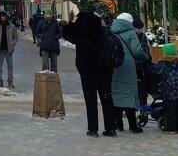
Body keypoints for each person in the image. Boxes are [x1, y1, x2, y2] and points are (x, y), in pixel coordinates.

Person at [62, 9, 116, 137]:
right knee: (106, 97)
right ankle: (111, 128)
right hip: (104, 68)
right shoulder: (100, 29)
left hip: (88, 69)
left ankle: (93, 129)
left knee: (90, 99)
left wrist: (73, 21)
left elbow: (66, 32)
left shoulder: (81, 32)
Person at [108, 12, 149, 133]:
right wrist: (146, 57)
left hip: (115, 65)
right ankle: (133, 126)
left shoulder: (111, 31)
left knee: (116, 95)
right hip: (128, 67)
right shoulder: (131, 33)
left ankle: (118, 124)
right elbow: (137, 51)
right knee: (129, 95)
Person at [154, 43, 178, 133]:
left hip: (167, 93)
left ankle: (171, 128)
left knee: (170, 111)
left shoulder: (162, 65)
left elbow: (154, 72)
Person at [0, 10, 18, 88]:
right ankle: (0, 81)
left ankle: (10, 81)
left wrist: (12, 44)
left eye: (4, 16)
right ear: (0, 17)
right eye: (1, 16)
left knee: (10, 66)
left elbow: (15, 37)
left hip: (9, 49)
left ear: (6, 17)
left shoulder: (12, 26)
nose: (3, 17)